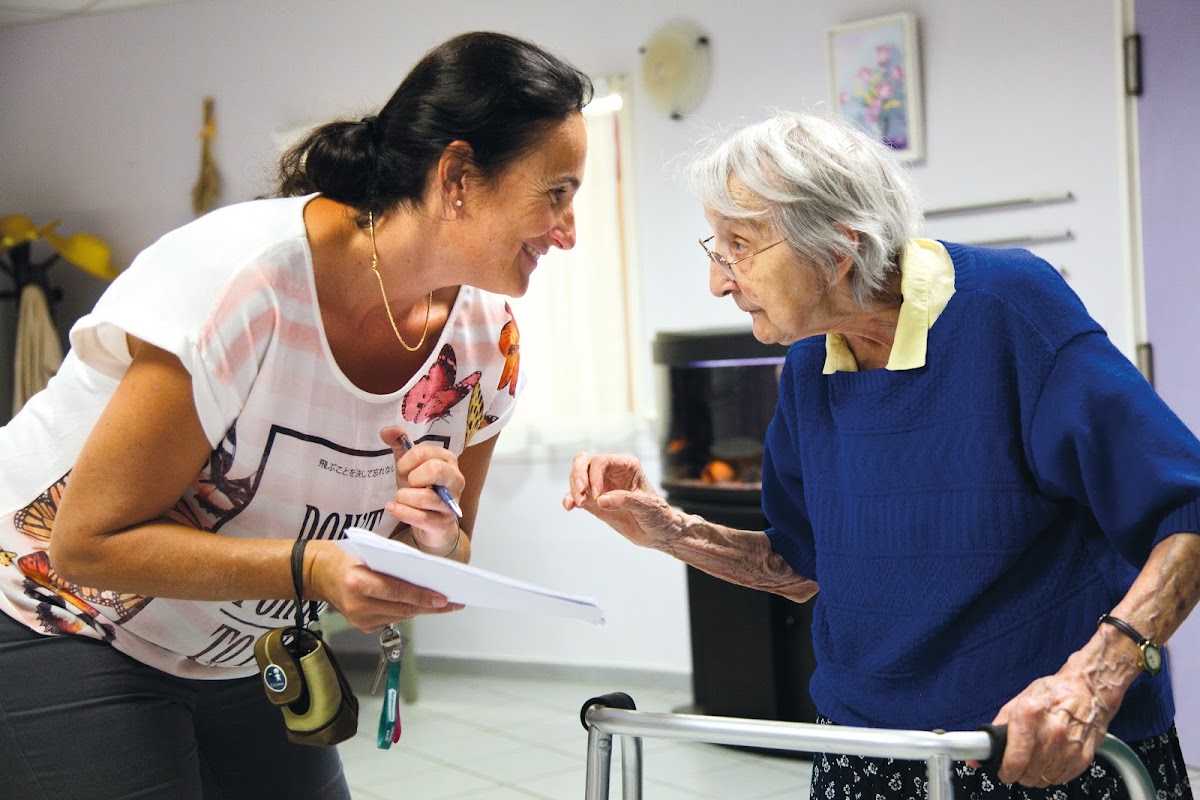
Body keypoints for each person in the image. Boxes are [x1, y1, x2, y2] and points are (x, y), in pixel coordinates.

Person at [0, 31, 590, 799]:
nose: (568, 232)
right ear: (456, 177)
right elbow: (85, 542)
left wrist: (433, 536)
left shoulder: (488, 343)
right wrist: (315, 570)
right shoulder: (245, 283)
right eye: (556, 194)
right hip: (54, 612)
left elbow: (450, 546)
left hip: (231, 644)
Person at [565, 110, 1200, 799]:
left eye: (738, 247)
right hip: (864, 751)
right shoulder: (809, 367)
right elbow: (801, 564)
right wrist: (669, 529)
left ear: (838, 249)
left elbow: (1188, 513)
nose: (718, 282)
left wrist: (1094, 681)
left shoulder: (1010, 309)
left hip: (1036, 749)